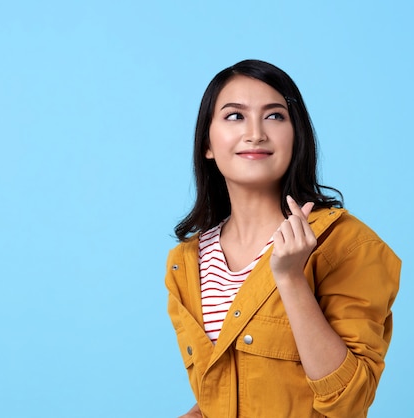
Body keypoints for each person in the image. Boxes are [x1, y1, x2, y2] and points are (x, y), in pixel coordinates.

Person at [165, 59, 401, 418]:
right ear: (207, 144)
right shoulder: (186, 262)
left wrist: (291, 277)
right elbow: (236, 386)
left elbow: (349, 402)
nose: (256, 133)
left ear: (296, 137)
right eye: (234, 116)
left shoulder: (348, 245)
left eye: (274, 116)